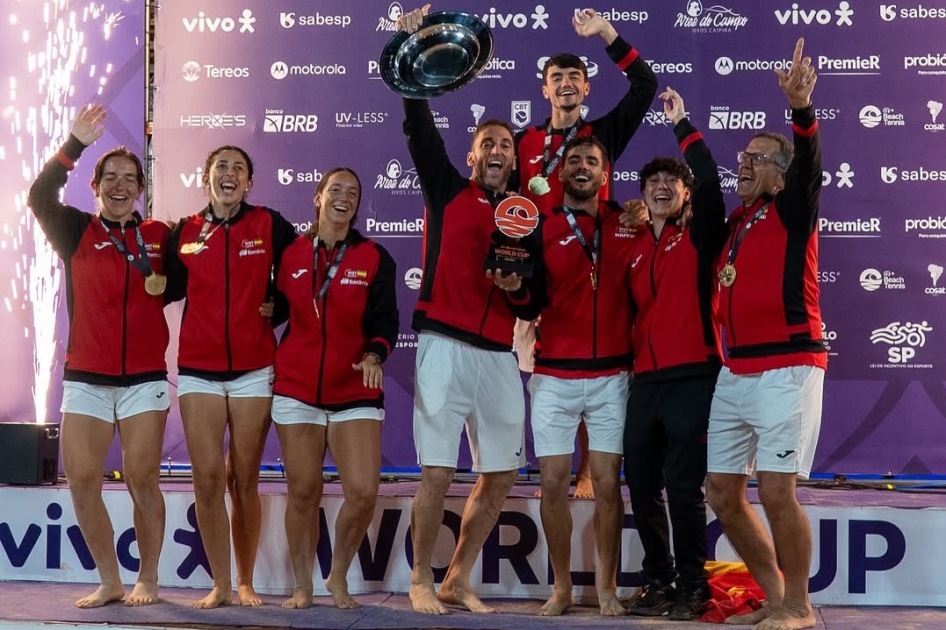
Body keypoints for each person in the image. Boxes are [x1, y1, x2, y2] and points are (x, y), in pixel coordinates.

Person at [396, 4, 526, 616]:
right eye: (486, 144)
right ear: (472, 157)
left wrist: (517, 288)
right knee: (438, 474)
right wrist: (409, 46)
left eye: (505, 143)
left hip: (500, 353)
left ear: (515, 159)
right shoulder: (448, 190)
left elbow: (536, 297)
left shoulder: (526, 217)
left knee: (498, 475)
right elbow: (419, 126)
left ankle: (456, 577)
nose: (496, 149)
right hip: (445, 346)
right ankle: (420, 578)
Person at [28, 104, 170, 608]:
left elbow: (191, 282)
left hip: (144, 379)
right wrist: (73, 145)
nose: (120, 185)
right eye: (110, 177)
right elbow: (38, 196)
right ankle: (110, 579)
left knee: (142, 478)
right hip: (85, 376)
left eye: (130, 178)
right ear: (95, 187)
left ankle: (147, 578)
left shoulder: (159, 236)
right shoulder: (75, 231)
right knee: (84, 479)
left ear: (140, 189)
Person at [705, 38, 825, 630]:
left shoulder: (793, 208)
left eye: (758, 158)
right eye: (743, 157)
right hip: (735, 372)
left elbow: (809, 168)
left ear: (781, 175)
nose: (744, 165)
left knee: (777, 490)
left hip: (787, 367)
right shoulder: (738, 220)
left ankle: (799, 606)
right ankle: (776, 594)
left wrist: (800, 112)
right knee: (722, 492)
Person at [514, 8, 657, 495]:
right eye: (557, 78)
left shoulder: (602, 136)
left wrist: (606, 34)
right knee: (546, 373)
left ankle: (584, 471)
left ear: (587, 88)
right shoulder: (524, 142)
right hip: (541, 268)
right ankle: (544, 465)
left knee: (592, 370)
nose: (567, 84)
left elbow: (644, 85)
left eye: (575, 76)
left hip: (595, 264)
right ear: (545, 90)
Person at [497, 135, 634, 617]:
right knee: (553, 482)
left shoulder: (626, 222)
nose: (581, 167)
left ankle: (607, 587)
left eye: (591, 161)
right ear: (560, 172)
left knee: (607, 484)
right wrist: (514, 291)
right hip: (553, 375)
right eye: (573, 160)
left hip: (612, 375)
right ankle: (560, 587)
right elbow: (528, 300)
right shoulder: (542, 225)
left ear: (603, 173)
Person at [164, 145, 297, 609]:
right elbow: (153, 286)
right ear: (206, 178)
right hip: (199, 371)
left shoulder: (269, 224)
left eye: (240, 168)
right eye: (222, 166)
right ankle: (219, 582)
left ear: (250, 182)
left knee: (243, 479)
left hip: (253, 370)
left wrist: (278, 307)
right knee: (205, 480)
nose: (230, 173)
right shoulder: (185, 232)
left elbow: (302, 273)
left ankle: (245, 581)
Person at [622, 88, 728, 621]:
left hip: (693, 376)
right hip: (643, 382)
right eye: (653, 182)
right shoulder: (634, 244)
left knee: (684, 489)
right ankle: (658, 581)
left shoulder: (702, 236)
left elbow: (710, 181)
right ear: (642, 193)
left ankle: (693, 586)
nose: (662, 187)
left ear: (686, 194)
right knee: (641, 486)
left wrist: (683, 124)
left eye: (672, 182)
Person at [271, 167, 398, 610]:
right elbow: (275, 309)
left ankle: (338, 574)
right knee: (303, 491)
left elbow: (385, 321)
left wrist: (374, 355)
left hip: (354, 388)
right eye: (336, 190)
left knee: (363, 492)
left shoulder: (375, 257)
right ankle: (302, 585)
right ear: (318, 196)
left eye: (354, 193)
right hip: (296, 388)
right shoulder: (289, 254)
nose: (345, 198)